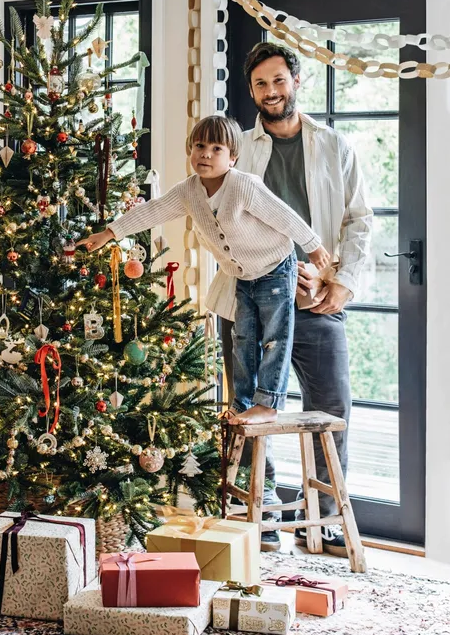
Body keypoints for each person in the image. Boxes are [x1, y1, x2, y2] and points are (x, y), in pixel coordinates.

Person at [213, 41, 372, 555]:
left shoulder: (334, 145)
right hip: (251, 298)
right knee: (250, 405)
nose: (271, 91)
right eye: (260, 83)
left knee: (331, 403)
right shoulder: (239, 148)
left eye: (278, 80)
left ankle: (323, 516)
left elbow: (359, 220)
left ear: (296, 81)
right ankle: (262, 517)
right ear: (251, 90)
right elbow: (223, 218)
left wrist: (339, 282)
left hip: (318, 298)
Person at [81, 115, 330, 424]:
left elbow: (284, 216)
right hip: (243, 276)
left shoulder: (243, 186)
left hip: (275, 267)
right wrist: (109, 233)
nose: (206, 154)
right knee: (243, 340)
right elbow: (153, 210)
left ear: (233, 157)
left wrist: (314, 245)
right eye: (200, 146)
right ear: (191, 149)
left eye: (216, 149)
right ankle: (242, 402)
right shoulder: (188, 191)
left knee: (275, 338)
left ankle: (269, 402)